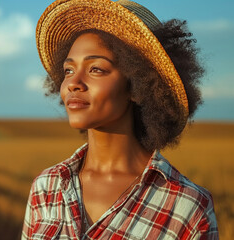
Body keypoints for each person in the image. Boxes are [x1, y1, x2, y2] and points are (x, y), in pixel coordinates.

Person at [22, 0, 219, 239]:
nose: (73, 83)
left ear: (138, 87)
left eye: (96, 69)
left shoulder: (188, 208)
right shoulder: (46, 187)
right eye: (68, 70)